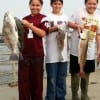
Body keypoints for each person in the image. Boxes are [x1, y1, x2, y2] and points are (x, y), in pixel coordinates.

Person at [45, 0, 81, 100]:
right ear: (51, 5)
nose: (57, 5)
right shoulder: (46, 17)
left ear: (62, 5)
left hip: (63, 55)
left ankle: (61, 97)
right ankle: (50, 98)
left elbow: (69, 24)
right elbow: (44, 31)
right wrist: (55, 28)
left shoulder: (65, 17)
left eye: (59, 4)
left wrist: (78, 26)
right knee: (52, 80)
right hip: (51, 55)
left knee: (61, 78)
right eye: (55, 3)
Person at [69, 0, 100, 100]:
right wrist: (77, 26)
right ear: (85, 3)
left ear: (97, 4)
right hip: (76, 50)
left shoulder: (98, 17)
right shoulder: (78, 12)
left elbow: (98, 35)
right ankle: (75, 95)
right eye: (89, 3)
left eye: (94, 4)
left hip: (90, 51)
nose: (92, 6)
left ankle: (84, 94)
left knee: (87, 74)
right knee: (75, 74)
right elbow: (69, 23)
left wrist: (99, 49)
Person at [18, 0, 48, 100]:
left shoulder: (44, 18)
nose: (35, 7)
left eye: (37, 5)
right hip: (24, 55)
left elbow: (43, 33)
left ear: (41, 6)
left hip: (37, 55)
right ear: (29, 5)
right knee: (23, 83)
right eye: (33, 5)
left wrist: (29, 25)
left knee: (37, 84)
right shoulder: (24, 19)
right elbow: (19, 36)